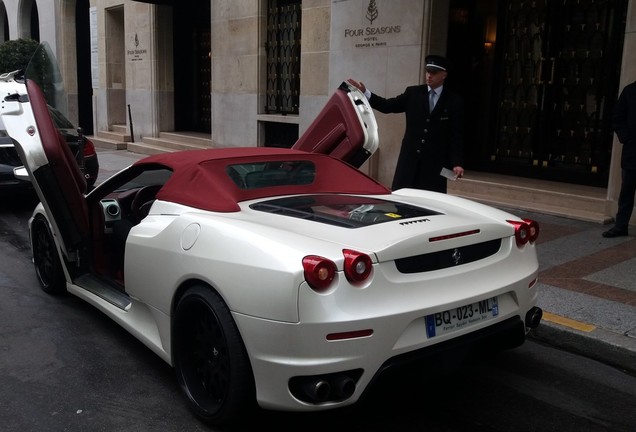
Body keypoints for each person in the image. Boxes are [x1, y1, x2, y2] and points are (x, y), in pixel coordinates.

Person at [347, 55, 464, 193]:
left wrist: (457, 162)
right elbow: (387, 105)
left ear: (444, 75)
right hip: (409, 162)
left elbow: (456, 135)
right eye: (427, 71)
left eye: (434, 73)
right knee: (402, 202)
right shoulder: (413, 93)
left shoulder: (454, 101)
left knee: (429, 204)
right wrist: (365, 93)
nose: (429, 76)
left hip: (434, 165)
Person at [603, 79, 636, 238]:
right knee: (627, 192)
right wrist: (626, 138)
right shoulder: (630, 91)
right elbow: (618, 116)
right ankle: (621, 226)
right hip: (632, 151)